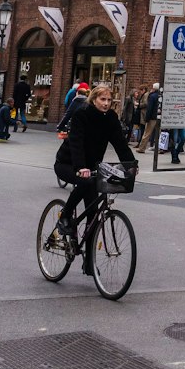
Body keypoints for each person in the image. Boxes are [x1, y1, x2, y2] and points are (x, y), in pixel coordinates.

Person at [54, 84, 137, 269]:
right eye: (102, 99)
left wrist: (131, 165)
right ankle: (65, 217)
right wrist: (80, 167)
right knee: (85, 181)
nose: (106, 103)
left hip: (91, 168)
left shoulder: (111, 119)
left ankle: (89, 262)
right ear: (93, 99)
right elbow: (76, 142)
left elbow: (119, 144)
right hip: (67, 163)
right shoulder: (81, 114)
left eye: (109, 100)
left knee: (93, 217)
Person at [137, 83, 160, 154]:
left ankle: (142, 148)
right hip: (159, 116)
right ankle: (160, 148)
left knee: (147, 133)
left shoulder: (152, 96)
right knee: (159, 134)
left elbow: (149, 108)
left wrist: (147, 118)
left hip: (152, 117)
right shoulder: (161, 95)